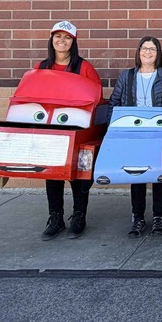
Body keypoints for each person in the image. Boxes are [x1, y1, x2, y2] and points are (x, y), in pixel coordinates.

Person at [108, 36, 162, 237]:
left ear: (158, 54)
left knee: (159, 175)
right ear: (138, 52)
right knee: (137, 175)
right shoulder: (127, 76)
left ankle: (158, 216)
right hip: (133, 134)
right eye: (144, 48)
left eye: (152, 49)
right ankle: (138, 218)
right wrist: (112, 131)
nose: (148, 52)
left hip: (160, 133)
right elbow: (114, 102)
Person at [35, 20, 102, 241]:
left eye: (67, 38)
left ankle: (79, 216)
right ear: (51, 40)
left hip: (77, 130)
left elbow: (96, 98)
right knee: (52, 174)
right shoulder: (41, 67)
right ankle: (55, 218)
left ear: (73, 42)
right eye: (58, 36)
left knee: (78, 175)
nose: (61, 41)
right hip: (50, 131)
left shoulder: (84, 67)